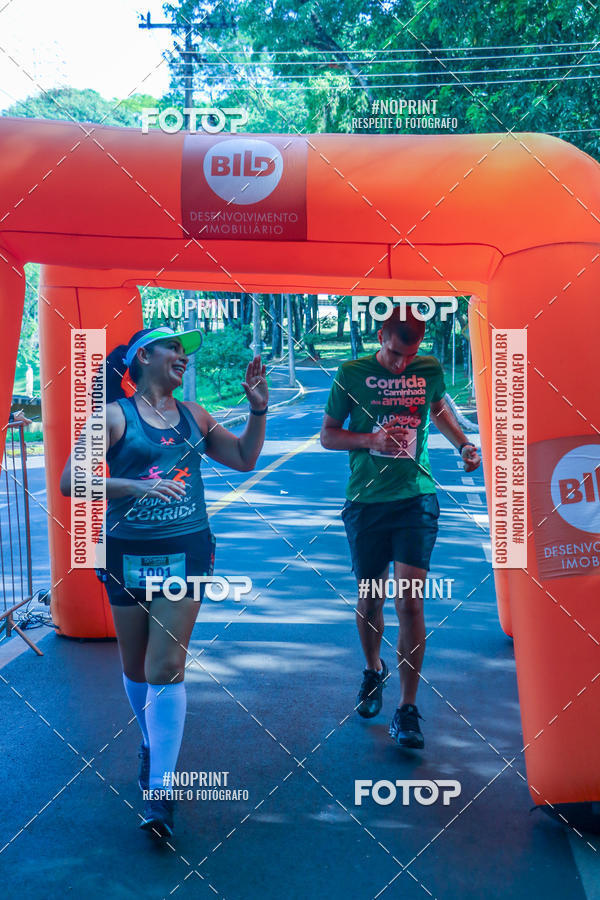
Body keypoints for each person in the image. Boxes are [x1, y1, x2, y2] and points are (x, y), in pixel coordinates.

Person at [60, 325, 268, 836]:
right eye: (173, 347)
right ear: (143, 356)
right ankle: (154, 741)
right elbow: (70, 480)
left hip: (186, 551)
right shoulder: (115, 416)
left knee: (166, 664)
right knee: (135, 668)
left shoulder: (195, 415)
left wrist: (259, 411)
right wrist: (131, 485)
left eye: (184, 351)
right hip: (126, 553)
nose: (182, 356)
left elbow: (244, 459)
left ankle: (160, 792)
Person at [320, 306, 480, 749]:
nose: (402, 364)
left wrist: (464, 443)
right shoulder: (351, 372)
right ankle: (373, 670)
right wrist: (371, 440)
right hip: (366, 502)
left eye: (409, 357)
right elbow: (328, 435)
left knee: (410, 603)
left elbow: (439, 409)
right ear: (381, 336)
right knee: (371, 599)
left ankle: (407, 709)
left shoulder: (428, 368)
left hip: (416, 497)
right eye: (394, 354)